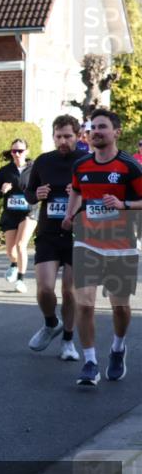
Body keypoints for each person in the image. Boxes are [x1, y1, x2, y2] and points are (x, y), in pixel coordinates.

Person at [61, 108, 142, 385]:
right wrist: (69, 215)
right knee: (84, 304)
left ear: (116, 132)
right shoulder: (81, 166)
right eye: (93, 127)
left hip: (121, 244)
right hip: (86, 242)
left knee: (120, 308)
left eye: (102, 127)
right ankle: (91, 362)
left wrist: (124, 205)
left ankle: (118, 348)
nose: (96, 131)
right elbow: (78, 192)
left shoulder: (129, 166)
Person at [24, 114, 83, 361]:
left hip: (78, 234)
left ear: (78, 137)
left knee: (70, 291)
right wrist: (36, 193)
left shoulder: (86, 161)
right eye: (58, 136)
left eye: (68, 136)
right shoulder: (43, 161)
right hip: (48, 233)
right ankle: (51, 323)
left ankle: (68, 341)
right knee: (45, 288)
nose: (63, 141)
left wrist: (82, 193)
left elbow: (101, 196)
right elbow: (28, 194)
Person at [0, 139, 35, 293]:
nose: (17, 154)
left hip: (29, 212)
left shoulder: (34, 169)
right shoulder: (5, 171)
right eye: (14, 151)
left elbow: (43, 186)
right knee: (11, 251)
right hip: (11, 213)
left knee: (20, 245)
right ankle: (13, 264)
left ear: (27, 152)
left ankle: (21, 280)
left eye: (20, 151)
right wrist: (2, 190)